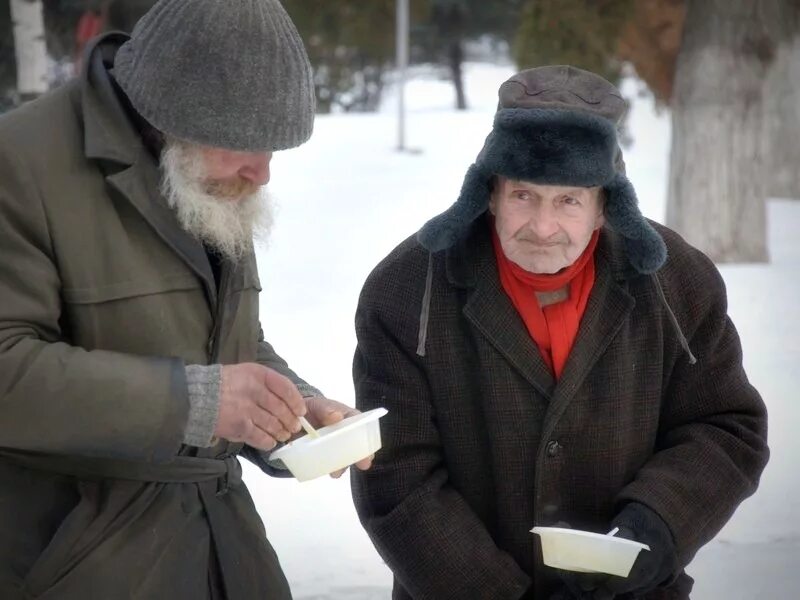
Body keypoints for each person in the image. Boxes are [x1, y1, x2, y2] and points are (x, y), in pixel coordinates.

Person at [351, 65, 769, 599]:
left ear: (603, 208)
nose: (543, 228)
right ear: (491, 194)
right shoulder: (407, 290)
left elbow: (725, 426)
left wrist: (655, 529)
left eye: (569, 200)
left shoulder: (676, 281)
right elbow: (395, 474)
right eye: (524, 195)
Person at [0, 1, 371, 598]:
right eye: (247, 146)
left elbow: (224, 342)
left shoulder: (203, 168)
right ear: (170, 113)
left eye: (273, 149)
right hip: (77, 565)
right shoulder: (19, 163)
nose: (263, 174)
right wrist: (191, 403)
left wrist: (296, 413)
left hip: (225, 550)